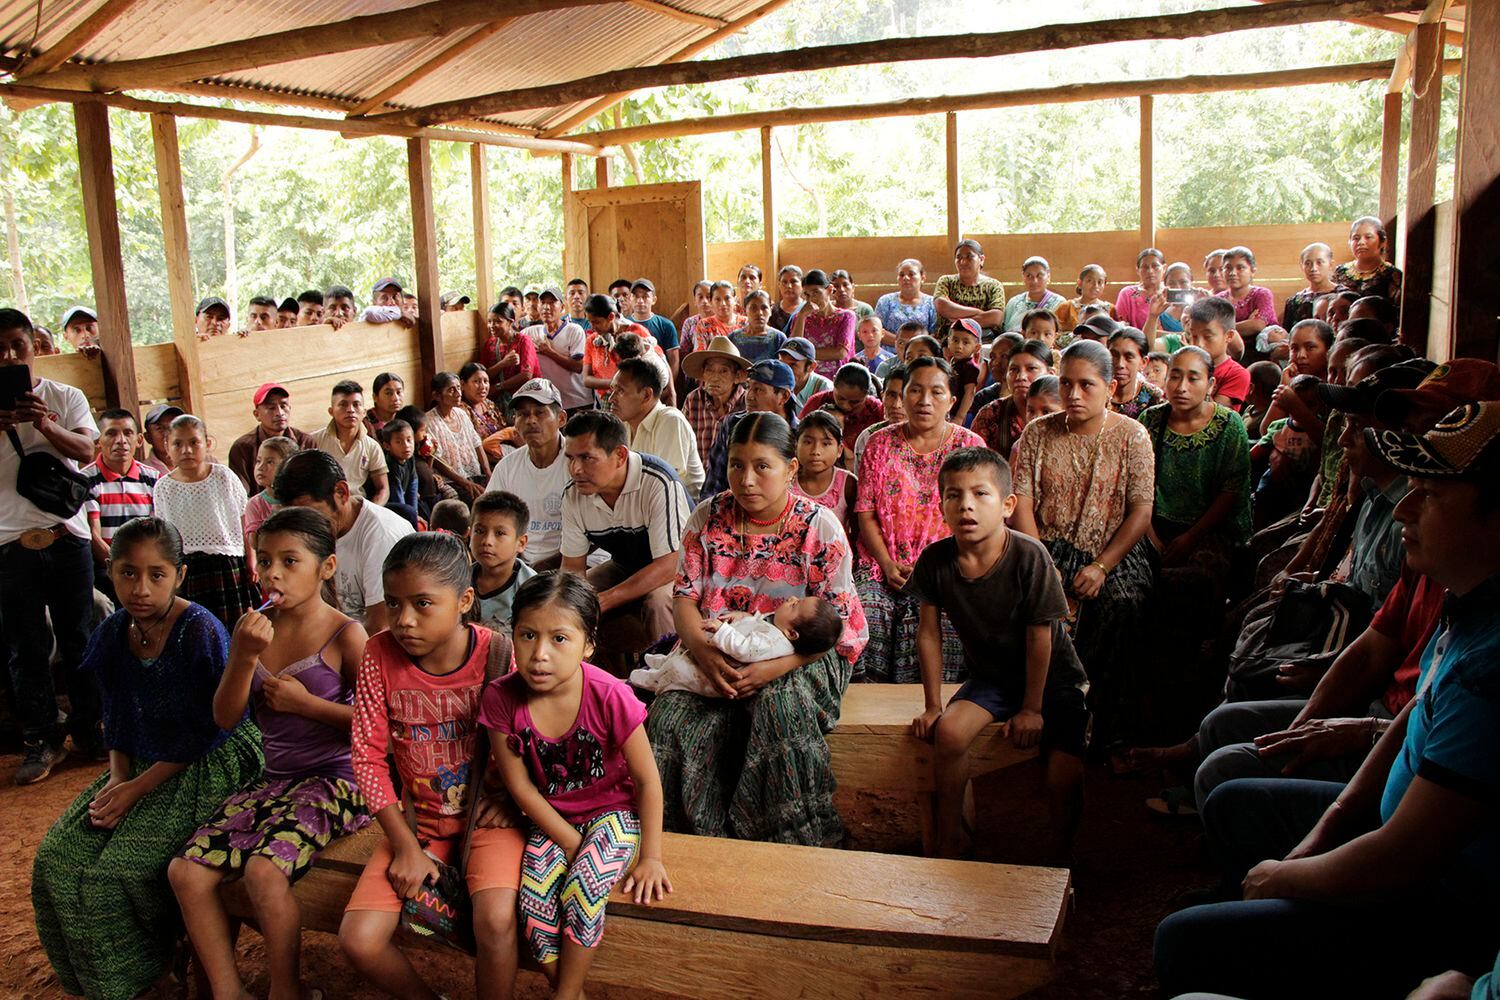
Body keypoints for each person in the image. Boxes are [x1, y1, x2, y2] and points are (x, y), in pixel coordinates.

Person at [1153, 401, 1500, 999]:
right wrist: (1328, 830)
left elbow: (1401, 861)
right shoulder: (1470, 602)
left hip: (1431, 906)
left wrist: (1295, 879)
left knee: (1183, 944)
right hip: (1391, 840)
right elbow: (1413, 715)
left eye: (1432, 496)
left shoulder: (1491, 671)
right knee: (1237, 797)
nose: (1406, 509)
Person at [31, 517, 263, 1000]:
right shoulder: (115, 629)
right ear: (109, 572)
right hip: (139, 760)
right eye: (127, 573)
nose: (141, 588)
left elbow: (210, 732)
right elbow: (116, 713)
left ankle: (155, 976)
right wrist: (118, 780)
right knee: (57, 857)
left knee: (116, 874)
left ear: (179, 576)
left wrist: (135, 789)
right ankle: (107, 981)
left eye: (157, 574)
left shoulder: (199, 629)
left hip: (210, 764)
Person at [169, 507, 369, 1000]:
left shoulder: (346, 635)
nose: (273, 573)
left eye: (290, 560)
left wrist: (309, 705)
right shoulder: (253, 629)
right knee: (185, 872)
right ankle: (227, 991)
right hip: (274, 779)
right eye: (264, 560)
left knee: (263, 869)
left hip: (337, 781)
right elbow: (224, 716)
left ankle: (287, 990)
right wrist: (241, 657)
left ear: (326, 567)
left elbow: (375, 728)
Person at [649, 412, 867, 845]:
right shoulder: (707, 518)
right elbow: (685, 598)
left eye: (761, 466)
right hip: (718, 651)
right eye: (736, 464)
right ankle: (697, 840)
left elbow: (834, 629)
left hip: (807, 653)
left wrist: (774, 668)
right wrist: (704, 654)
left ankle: (793, 837)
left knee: (776, 708)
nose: (746, 479)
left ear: (790, 469)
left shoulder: (818, 526)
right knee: (669, 719)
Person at [338, 533, 524, 1000]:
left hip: (487, 818)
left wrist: (512, 801)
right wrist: (404, 845)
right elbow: (367, 758)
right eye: (394, 604)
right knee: (358, 940)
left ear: (464, 601)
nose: (405, 620)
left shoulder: (499, 655)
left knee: (496, 923)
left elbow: (532, 738)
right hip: (418, 824)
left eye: (423, 604)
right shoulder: (379, 654)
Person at [481, 573, 671, 999]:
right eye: (528, 635)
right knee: (531, 904)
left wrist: (651, 857)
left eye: (560, 639)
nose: (540, 654)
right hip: (552, 816)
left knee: (583, 890)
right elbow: (521, 787)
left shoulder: (610, 695)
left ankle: (565, 994)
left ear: (588, 645)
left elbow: (647, 780)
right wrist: (568, 839)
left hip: (614, 814)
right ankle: (569, 989)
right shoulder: (500, 698)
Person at [908, 448, 1088, 861]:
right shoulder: (936, 560)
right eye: (953, 495)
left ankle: (1061, 857)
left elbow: (1040, 637)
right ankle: (952, 842)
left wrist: (1032, 709)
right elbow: (929, 634)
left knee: (1064, 770)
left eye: (980, 494)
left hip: (1053, 678)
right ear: (942, 506)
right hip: (991, 676)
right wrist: (933, 706)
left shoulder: (1029, 556)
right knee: (948, 734)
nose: (966, 505)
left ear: (1007, 505)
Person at [1012, 340, 1155, 746]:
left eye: (1087, 385)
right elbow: (1022, 502)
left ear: (1110, 387)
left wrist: (1102, 566)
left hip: (1113, 549)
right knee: (1033, 599)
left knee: (1121, 604)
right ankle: (1038, 712)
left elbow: (1140, 513)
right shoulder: (1039, 432)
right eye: (1067, 383)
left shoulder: (1133, 435)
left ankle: (1105, 725)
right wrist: (1041, 561)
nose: (1073, 395)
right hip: (1046, 544)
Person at [0, 308, 103, 780]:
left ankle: (89, 729)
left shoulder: (66, 396)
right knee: (26, 646)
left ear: (33, 348)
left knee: (80, 635)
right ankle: (41, 739)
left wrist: (44, 426)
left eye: (16, 347)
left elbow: (87, 452)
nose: (7, 357)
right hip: (8, 543)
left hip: (67, 539)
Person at [855, 356, 984, 683]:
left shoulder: (969, 447)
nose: (924, 401)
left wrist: (935, 569)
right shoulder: (879, 443)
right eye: (915, 391)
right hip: (882, 565)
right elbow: (866, 513)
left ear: (952, 401)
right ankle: (870, 722)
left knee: (939, 621)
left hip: (947, 567)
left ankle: (931, 713)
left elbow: (980, 522)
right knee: (867, 614)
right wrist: (886, 563)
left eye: (936, 392)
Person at [1140, 346, 1252, 673]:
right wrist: (1150, 535)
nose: (1182, 386)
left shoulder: (1229, 425)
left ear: (1211, 385)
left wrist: (1191, 537)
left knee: (1201, 578)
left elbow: (1230, 491)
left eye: (1193, 378)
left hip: (1209, 528)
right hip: (1154, 522)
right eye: (1175, 376)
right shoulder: (1151, 420)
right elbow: (1139, 483)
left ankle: (1202, 651)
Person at [559, 411, 690, 672]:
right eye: (570, 459)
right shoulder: (573, 495)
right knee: (568, 599)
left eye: (586, 458)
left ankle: (668, 679)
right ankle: (595, 678)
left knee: (658, 602)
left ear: (619, 455)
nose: (576, 469)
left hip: (680, 570)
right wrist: (581, 599)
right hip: (624, 565)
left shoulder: (657, 482)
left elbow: (670, 563)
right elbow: (572, 567)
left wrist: (605, 600)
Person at [276, 449, 413, 632]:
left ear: (341, 493)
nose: (302, 526)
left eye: (310, 513)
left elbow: (381, 628)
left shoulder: (381, 536)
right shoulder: (313, 531)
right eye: (294, 516)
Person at [152, 414, 258, 628]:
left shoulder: (224, 477)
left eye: (194, 442)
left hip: (228, 565)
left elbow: (244, 518)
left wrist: (251, 559)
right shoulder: (163, 487)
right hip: (188, 570)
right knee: (197, 628)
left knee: (234, 627)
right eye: (178, 444)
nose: (186, 450)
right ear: (167, 446)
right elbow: (165, 535)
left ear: (207, 443)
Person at [632, 593, 843, 697]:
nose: (791, 598)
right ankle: (661, 663)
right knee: (682, 655)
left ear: (791, 633)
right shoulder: (778, 628)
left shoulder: (776, 642)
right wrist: (742, 617)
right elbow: (758, 622)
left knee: (680, 671)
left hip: (718, 675)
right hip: (711, 653)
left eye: (795, 605)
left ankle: (654, 679)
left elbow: (745, 649)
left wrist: (721, 629)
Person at [485, 379, 570, 571]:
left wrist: (541, 568)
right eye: (522, 414)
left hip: (578, 561)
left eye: (540, 412)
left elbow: (593, 535)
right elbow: (491, 516)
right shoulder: (507, 467)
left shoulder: (577, 464)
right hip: (524, 562)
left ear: (561, 419)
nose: (531, 420)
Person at [82, 408, 160, 596]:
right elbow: (94, 536)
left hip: (147, 566)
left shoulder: (153, 478)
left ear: (139, 440)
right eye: (111, 433)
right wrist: (125, 569)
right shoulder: (85, 480)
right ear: (98, 441)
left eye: (128, 433)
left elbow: (157, 530)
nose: (121, 441)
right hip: (106, 571)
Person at [701, 359, 801, 497]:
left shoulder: (801, 435)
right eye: (748, 387)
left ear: (783, 396)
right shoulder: (732, 425)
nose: (749, 396)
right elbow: (714, 484)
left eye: (758, 389)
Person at [610, 357, 704, 497]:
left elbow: (664, 487)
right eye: (612, 389)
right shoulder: (624, 423)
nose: (611, 398)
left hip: (680, 509)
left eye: (620, 391)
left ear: (646, 395)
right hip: (642, 504)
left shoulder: (670, 421)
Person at [227, 381, 318, 491]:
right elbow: (240, 494)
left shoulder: (306, 442)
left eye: (283, 406)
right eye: (271, 407)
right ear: (257, 415)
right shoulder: (242, 447)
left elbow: (314, 487)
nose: (279, 413)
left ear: (290, 408)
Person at [467, 490, 537, 633]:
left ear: (521, 543)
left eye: (499, 533)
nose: (487, 541)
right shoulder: (458, 579)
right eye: (479, 531)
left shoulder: (531, 588)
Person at [313, 379, 390, 506]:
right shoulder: (315, 441)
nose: (350, 410)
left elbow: (383, 489)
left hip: (357, 506)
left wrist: (372, 511)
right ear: (331, 411)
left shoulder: (372, 446)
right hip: (325, 507)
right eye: (343, 404)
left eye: (356, 404)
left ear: (364, 412)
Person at [972, 338, 1052, 456]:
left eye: (1031, 369)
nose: (1021, 376)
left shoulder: (1063, 415)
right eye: (1014, 370)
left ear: (1051, 374)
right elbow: (977, 463)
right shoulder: (990, 414)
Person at [797, 363, 884, 461]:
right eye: (841, 398)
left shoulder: (875, 410)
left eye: (854, 402)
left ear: (866, 394)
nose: (846, 406)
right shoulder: (817, 402)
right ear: (833, 382)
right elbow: (799, 436)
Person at [529, 287, 592, 414]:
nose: (546, 307)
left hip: (578, 402)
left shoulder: (574, 330)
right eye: (543, 303)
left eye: (552, 302)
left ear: (562, 308)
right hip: (550, 403)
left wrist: (549, 352)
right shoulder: (530, 332)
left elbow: (578, 366)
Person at [791, 410, 857, 530]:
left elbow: (856, 533)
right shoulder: (786, 480)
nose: (816, 451)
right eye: (808, 442)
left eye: (826, 444)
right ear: (796, 445)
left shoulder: (848, 484)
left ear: (839, 450)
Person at [427, 370, 490, 492]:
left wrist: (488, 473)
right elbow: (438, 461)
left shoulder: (461, 414)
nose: (458, 394)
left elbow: (477, 443)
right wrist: (465, 483)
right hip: (450, 480)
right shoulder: (430, 421)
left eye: (459, 388)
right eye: (451, 390)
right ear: (437, 396)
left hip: (473, 476)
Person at [789, 269, 856, 381]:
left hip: (840, 379)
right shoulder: (801, 317)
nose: (811, 299)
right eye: (807, 294)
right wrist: (801, 317)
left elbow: (840, 352)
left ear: (829, 290)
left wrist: (804, 353)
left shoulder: (846, 317)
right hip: (808, 379)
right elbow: (793, 349)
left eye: (816, 292)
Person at [934, 238, 1006, 341]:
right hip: (948, 342)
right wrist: (980, 313)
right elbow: (941, 306)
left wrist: (957, 321)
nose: (963, 262)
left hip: (984, 342)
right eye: (959, 257)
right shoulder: (946, 281)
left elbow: (996, 318)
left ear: (981, 259)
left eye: (969, 257)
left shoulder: (994, 285)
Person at [1188, 295, 1251, 411]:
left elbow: (1214, 415)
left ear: (1229, 336)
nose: (1199, 344)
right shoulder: (1183, 365)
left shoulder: (1236, 374)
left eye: (1207, 337)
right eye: (1194, 335)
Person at [243, 434, 299, 548]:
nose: (261, 467)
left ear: (289, 467)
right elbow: (254, 543)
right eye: (258, 461)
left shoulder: (301, 500)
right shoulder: (255, 504)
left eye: (270, 462)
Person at [1333, 215, 1403, 307]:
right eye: (1356, 238)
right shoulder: (1339, 272)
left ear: (1383, 242)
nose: (1361, 242)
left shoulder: (1392, 275)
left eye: (1368, 237)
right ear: (1349, 242)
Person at [853, 364, 907, 476]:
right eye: (891, 395)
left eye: (904, 396)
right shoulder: (868, 438)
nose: (897, 405)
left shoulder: (931, 439)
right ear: (882, 396)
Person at [628, 278, 681, 383]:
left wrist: (667, 389)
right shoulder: (624, 325)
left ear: (654, 300)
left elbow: (674, 361)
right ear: (630, 298)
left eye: (645, 296)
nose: (640, 301)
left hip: (658, 381)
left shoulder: (666, 325)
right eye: (636, 296)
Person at [1217, 246, 1277, 339]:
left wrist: (1221, 329)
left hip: (1260, 350)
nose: (1232, 273)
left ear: (1252, 271)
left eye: (1240, 268)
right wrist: (1247, 324)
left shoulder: (1261, 295)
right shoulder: (1217, 300)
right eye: (1228, 268)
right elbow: (1209, 329)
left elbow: (1258, 325)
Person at [481, 303, 539, 397]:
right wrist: (503, 364)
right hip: (498, 399)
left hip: (524, 398)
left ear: (510, 322)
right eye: (489, 321)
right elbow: (483, 374)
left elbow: (526, 375)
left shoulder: (523, 341)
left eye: (498, 321)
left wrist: (498, 387)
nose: (492, 325)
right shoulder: (489, 344)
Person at [1107, 327, 1165, 419]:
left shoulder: (1153, 397)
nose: (1120, 364)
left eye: (1129, 357)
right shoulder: (1097, 390)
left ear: (1143, 362)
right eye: (1114, 355)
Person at [876, 258, 937, 338]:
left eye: (911, 274)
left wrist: (915, 345)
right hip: (890, 349)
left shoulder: (932, 303)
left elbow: (935, 333)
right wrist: (902, 343)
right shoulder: (885, 301)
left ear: (922, 278)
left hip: (921, 349)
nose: (905, 278)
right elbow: (877, 330)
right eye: (901, 275)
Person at [1282, 242, 1337, 330]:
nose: (1313, 269)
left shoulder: (1342, 295)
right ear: (1301, 266)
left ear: (1330, 264)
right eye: (1307, 263)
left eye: (1319, 262)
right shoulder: (1294, 301)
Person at [1002, 256, 1066, 332]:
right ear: (1023, 277)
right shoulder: (1013, 303)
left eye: (1040, 276)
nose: (1034, 281)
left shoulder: (1059, 303)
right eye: (1029, 276)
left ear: (1048, 276)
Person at [459, 362, 508, 458]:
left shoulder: (489, 404)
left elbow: (503, 428)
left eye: (486, 381)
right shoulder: (461, 411)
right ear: (463, 384)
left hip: (502, 452)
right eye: (476, 382)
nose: (483, 387)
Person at [945, 317, 985, 425]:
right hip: (951, 411)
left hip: (963, 415)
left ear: (976, 348)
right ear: (949, 342)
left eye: (966, 342)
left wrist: (960, 416)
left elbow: (969, 393)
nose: (959, 346)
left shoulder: (970, 367)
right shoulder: (953, 361)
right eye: (955, 340)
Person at [378, 420, 420, 523]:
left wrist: (415, 512)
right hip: (389, 504)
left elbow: (413, 486)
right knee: (408, 513)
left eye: (409, 440)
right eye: (399, 442)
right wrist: (411, 514)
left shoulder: (410, 459)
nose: (406, 445)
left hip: (403, 502)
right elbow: (396, 495)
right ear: (387, 446)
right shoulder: (389, 464)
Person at [1114, 248, 1168, 330]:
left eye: (1155, 266)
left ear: (1164, 268)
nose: (1150, 271)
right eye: (1145, 267)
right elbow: (1120, 327)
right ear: (1138, 270)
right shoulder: (1128, 294)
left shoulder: (1170, 293)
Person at [728, 289, 786, 362]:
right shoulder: (733, 338)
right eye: (753, 308)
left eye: (764, 308)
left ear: (770, 310)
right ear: (745, 310)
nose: (759, 313)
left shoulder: (779, 338)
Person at [1053, 265, 1115, 332]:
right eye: (1090, 281)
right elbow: (1054, 331)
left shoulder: (1110, 309)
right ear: (1080, 283)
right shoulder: (1067, 307)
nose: (1095, 286)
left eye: (1100, 282)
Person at [779, 336, 834, 411]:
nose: (785, 370)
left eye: (793, 365)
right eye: (782, 364)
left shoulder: (825, 390)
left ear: (811, 367)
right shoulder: (775, 384)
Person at [142, 402, 183, 473]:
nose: (168, 434)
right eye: (160, 428)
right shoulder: (144, 473)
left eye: (174, 426)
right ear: (148, 437)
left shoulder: (197, 465)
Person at [768, 265, 804, 332]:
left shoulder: (808, 309)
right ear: (779, 285)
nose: (789, 286)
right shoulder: (771, 312)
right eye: (784, 282)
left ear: (802, 284)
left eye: (794, 281)